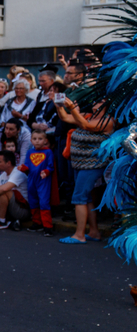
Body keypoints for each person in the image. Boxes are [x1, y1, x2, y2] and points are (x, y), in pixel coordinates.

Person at [55, 97, 115, 244]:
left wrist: (72, 108)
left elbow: (86, 125)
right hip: (80, 165)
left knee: (79, 198)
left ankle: (79, 235)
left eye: (100, 101)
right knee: (86, 199)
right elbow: (64, 117)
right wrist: (59, 105)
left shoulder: (108, 121)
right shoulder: (88, 115)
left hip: (93, 166)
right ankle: (94, 232)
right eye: (96, 101)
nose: (95, 102)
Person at [19, 130, 56, 236]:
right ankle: (37, 222)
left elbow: (50, 166)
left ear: (45, 140)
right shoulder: (30, 152)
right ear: (31, 140)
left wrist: (46, 171)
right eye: (35, 139)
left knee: (44, 202)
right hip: (31, 179)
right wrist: (23, 168)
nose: (37, 141)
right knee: (33, 201)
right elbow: (27, 165)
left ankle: (47, 226)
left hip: (43, 180)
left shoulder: (48, 152)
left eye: (40, 139)